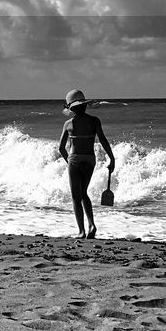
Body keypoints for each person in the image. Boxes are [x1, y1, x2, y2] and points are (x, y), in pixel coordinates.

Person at [58, 88, 115, 239]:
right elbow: (103, 140)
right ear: (84, 105)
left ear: (71, 108)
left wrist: (69, 162)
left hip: (75, 159)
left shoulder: (68, 124)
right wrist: (112, 158)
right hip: (90, 159)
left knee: (76, 197)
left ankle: (82, 231)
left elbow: (61, 148)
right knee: (84, 193)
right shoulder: (94, 121)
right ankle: (92, 225)